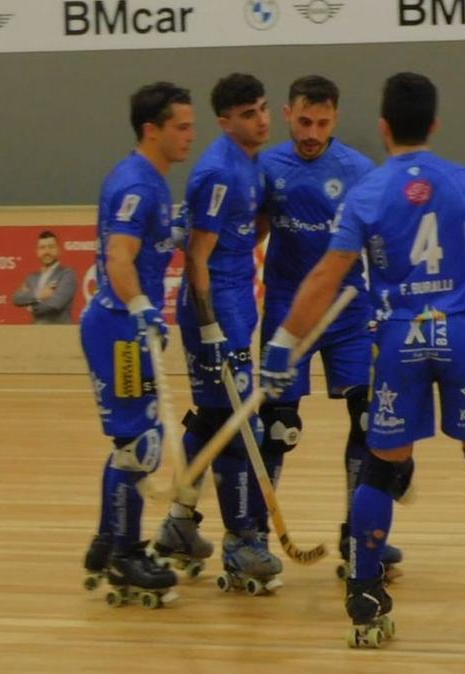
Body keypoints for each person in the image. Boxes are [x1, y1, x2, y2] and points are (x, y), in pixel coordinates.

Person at [260, 73, 465, 645]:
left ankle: (365, 596)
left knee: (382, 467)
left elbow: (324, 278)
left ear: (383, 127)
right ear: (433, 124)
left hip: (398, 338)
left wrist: (284, 344)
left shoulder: (367, 192)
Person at [257, 74, 402, 579]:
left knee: (367, 423)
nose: (312, 133)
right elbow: (247, 232)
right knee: (279, 428)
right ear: (287, 114)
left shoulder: (360, 171)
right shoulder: (267, 167)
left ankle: (359, 537)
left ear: (335, 118)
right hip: (287, 308)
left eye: (322, 123)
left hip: (349, 308)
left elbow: (380, 247)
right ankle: (252, 540)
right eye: (303, 122)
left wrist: (388, 310)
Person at [153, 73, 283, 592]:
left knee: (211, 419)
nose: (262, 120)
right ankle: (241, 542)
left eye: (263, 108)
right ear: (225, 121)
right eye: (249, 113)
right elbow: (197, 258)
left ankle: (179, 525)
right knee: (239, 426)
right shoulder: (217, 172)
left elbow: (252, 229)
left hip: (239, 300)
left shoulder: (251, 163)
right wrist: (209, 326)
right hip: (216, 310)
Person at [79, 82, 195, 606]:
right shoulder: (137, 184)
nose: (189, 136)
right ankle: (126, 555)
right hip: (120, 329)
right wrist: (142, 308)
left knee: (137, 442)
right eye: (181, 127)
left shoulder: (151, 181)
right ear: (152, 130)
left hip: (126, 326)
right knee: (140, 447)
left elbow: (148, 245)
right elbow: (119, 258)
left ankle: (109, 540)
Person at [12, 230, 78, 324]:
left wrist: (31, 306)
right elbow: (17, 298)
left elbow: (56, 304)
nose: (47, 251)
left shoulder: (67, 274)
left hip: (59, 331)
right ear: (37, 252)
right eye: (42, 248)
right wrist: (38, 295)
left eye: (51, 247)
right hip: (35, 331)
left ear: (58, 250)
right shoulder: (32, 278)